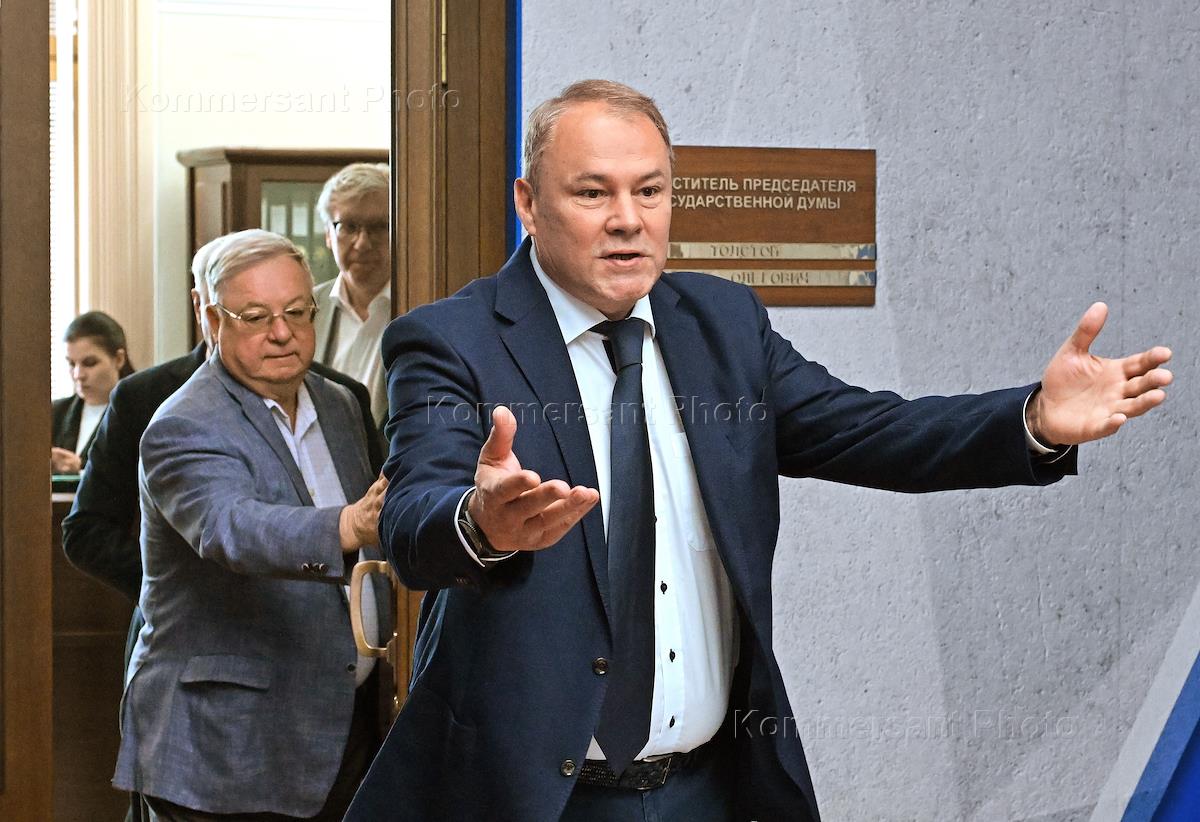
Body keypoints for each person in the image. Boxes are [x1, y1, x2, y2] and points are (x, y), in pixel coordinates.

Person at [346, 80, 1173, 822]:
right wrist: (480, 524)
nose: (628, 218)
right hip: (534, 798)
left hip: (711, 791)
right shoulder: (450, 341)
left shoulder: (724, 325)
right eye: (592, 192)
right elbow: (413, 522)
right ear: (529, 204)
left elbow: (870, 431)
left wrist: (1032, 418)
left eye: (650, 190)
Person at [62, 235, 385, 822]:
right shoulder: (182, 421)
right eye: (256, 317)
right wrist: (349, 523)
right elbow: (231, 526)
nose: (282, 333)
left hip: (339, 726)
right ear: (211, 319)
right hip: (225, 746)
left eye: (296, 312)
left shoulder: (339, 403)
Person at [314, 162, 392, 427]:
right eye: (348, 226)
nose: (363, 243)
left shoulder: (422, 305)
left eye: (379, 227)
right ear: (328, 235)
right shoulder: (305, 309)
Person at [52, 310, 134, 473]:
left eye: (89, 363)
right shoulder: (55, 413)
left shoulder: (139, 411)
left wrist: (81, 471)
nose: (78, 375)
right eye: (72, 364)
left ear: (119, 359)